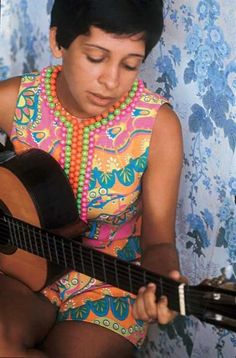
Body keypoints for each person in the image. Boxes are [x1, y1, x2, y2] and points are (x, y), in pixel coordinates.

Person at [0, 0, 183, 356]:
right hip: (20, 270)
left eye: (130, 65)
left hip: (110, 283)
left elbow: (159, 243)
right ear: (58, 42)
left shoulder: (158, 126)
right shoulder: (16, 99)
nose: (111, 81)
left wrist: (161, 287)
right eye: (96, 57)